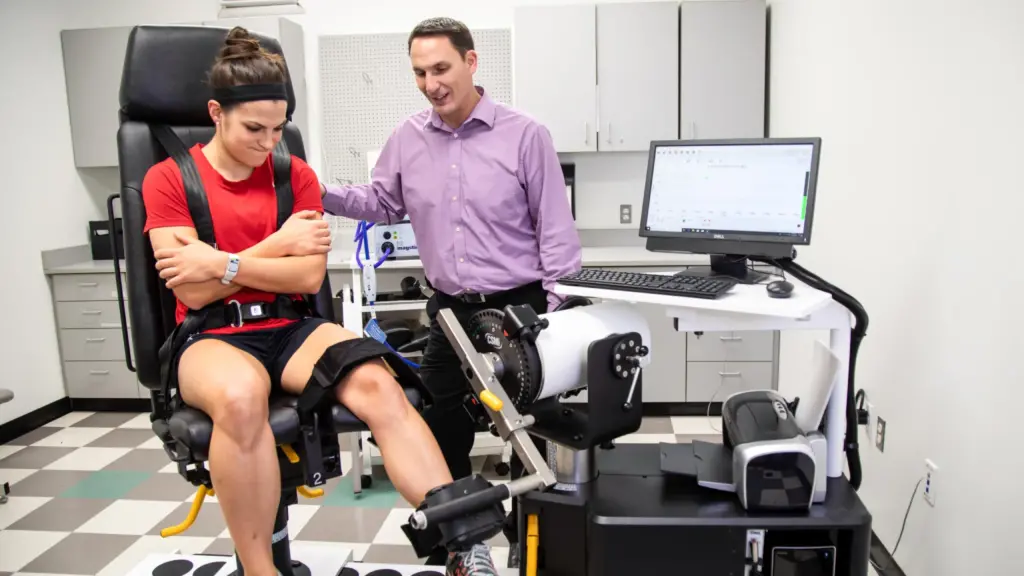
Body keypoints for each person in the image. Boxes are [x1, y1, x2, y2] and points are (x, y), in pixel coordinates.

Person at [141, 27, 500, 576]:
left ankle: (461, 543)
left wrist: (223, 262)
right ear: (216, 112)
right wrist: (273, 248)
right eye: (253, 129)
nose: (268, 143)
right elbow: (191, 289)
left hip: (291, 325)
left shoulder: (294, 174)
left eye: (278, 129)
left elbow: (307, 274)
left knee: (380, 382)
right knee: (240, 397)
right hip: (211, 334)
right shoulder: (168, 179)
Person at [319, 17, 582, 566]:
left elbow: (555, 229)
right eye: (419, 72)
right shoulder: (408, 137)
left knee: (530, 435)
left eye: (441, 68)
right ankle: (466, 545)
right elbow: (381, 202)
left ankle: (531, 544)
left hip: (519, 306)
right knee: (441, 432)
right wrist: (316, 192)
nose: (431, 83)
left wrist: (557, 313)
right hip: (449, 315)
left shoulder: (524, 133)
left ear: (470, 61)